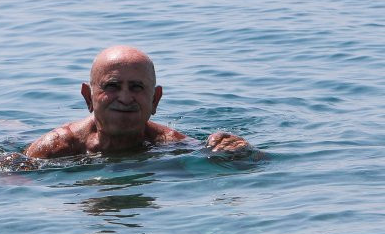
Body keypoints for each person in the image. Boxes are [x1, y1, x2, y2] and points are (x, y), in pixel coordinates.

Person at [25, 46, 251, 159]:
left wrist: (238, 151)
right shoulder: (57, 148)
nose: (125, 98)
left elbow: (241, 165)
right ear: (88, 97)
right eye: (112, 86)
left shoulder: (170, 144)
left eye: (137, 87)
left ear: (155, 99)